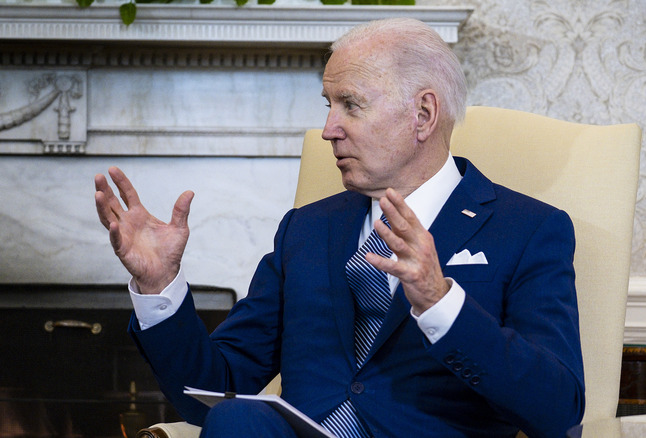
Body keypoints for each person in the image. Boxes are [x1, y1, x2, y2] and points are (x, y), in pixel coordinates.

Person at [94, 18, 584, 438]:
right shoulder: (305, 230)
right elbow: (213, 389)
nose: (329, 128)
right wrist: (159, 287)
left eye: (350, 104)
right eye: (327, 104)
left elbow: (557, 411)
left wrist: (441, 302)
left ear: (424, 114)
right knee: (237, 421)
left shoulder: (529, 230)